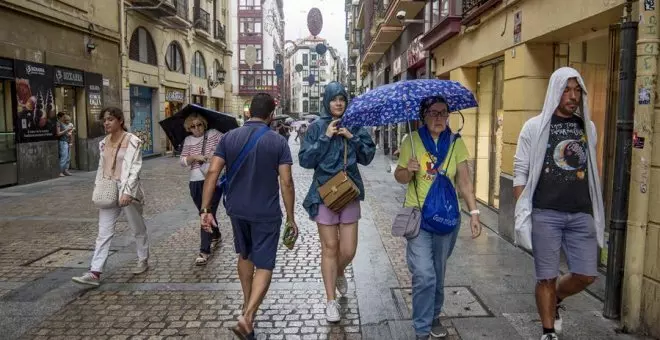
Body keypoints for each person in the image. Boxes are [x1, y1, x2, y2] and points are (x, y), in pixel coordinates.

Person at [513, 67, 604, 340]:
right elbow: (520, 171)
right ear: (555, 91)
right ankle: (548, 331)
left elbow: (590, 169)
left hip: (581, 212)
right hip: (545, 213)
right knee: (546, 277)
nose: (573, 96)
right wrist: (523, 210)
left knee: (587, 275)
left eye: (577, 90)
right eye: (567, 89)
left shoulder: (588, 127)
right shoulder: (534, 126)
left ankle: (557, 300)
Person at [200, 93, 297, 340]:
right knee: (264, 264)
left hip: (237, 210)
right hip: (266, 212)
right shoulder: (277, 142)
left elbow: (212, 172)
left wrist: (205, 209)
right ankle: (248, 316)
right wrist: (291, 217)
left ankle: (247, 308)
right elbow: (286, 182)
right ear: (271, 115)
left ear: (249, 111)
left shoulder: (229, 138)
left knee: (244, 255)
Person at [394, 97, 482, 340]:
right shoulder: (410, 140)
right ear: (423, 115)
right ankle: (421, 329)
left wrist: (474, 213)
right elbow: (399, 177)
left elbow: (463, 182)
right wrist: (407, 170)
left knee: (438, 272)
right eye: (433, 113)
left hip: (446, 218)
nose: (439, 118)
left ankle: (433, 315)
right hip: (418, 217)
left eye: (443, 113)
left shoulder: (456, 143)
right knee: (424, 273)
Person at [299, 81, 376, 322]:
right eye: (334, 98)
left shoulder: (355, 125)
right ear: (327, 101)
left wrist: (351, 137)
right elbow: (305, 160)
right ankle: (330, 300)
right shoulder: (316, 127)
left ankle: (340, 270)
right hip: (324, 194)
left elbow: (368, 156)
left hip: (349, 192)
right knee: (330, 248)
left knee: (348, 250)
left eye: (342, 98)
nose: (338, 102)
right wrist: (325, 136)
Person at [72, 107, 149, 287]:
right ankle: (95, 272)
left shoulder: (133, 141)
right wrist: (98, 187)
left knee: (137, 227)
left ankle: (143, 258)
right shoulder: (103, 143)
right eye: (104, 120)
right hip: (108, 189)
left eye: (110, 119)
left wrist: (128, 192)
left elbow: (135, 168)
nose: (106, 123)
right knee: (103, 232)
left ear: (120, 120)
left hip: (127, 190)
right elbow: (102, 167)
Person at [179, 113, 223, 265]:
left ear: (204, 124)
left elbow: (226, 146)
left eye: (199, 125)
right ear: (188, 128)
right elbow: (183, 161)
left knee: (205, 212)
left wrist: (215, 154)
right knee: (205, 212)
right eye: (192, 126)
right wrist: (194, 157)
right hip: (195, 181)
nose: (196, 128)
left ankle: (204, 251)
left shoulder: (214, 134)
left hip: (212, 180)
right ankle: (216, 234)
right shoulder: (188, 140)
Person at [55, 112, 74, 177]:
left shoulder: (65, 123)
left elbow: (71, 133)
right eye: (63, 117)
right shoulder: (58, 123)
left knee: (68, 157)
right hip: (63, 141)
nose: (64, 118)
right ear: (60, 117)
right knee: (64, 157)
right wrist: (66, 130)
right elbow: (58, 134)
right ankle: (60, 171)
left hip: (67, 141)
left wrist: (71, 141)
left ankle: (65, 170)